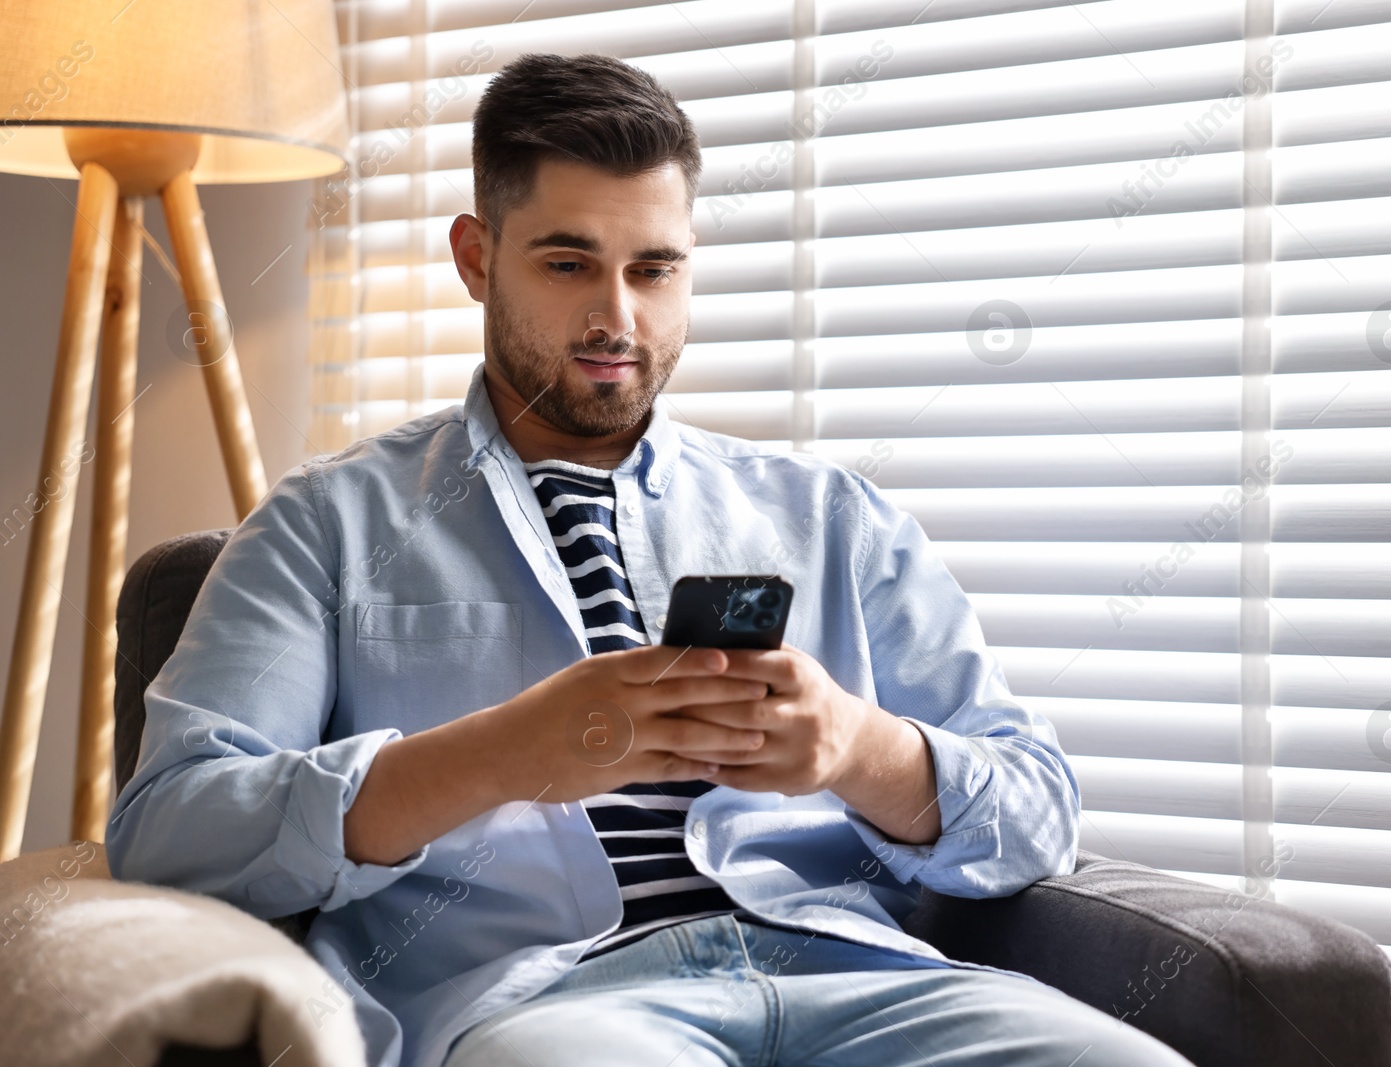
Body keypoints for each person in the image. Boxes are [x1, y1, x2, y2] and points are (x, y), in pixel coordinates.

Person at [107, 52, 1193, 1067]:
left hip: (860, 972)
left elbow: (1040, 810)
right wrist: (501, 752)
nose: (615, 317)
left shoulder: (832, 517)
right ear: (476, 259)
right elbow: (173, 832)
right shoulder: (321, 525)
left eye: (654, 268)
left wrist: (861, 747)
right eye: (569, 261)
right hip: (548, 1001)